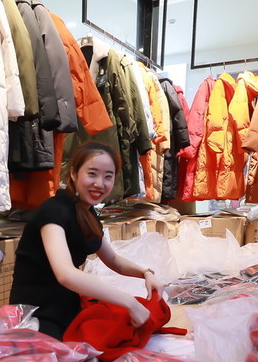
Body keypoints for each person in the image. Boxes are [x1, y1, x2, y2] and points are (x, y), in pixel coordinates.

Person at [9, 141, 165, 340]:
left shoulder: (86, 211)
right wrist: (129, 302)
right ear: (74, 173)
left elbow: (113, 260)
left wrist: (146, 273)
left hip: (67, 304)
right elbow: (65, 274)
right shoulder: (53, 210)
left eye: (108, 176)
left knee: (138, 322)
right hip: (34, 311)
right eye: (92, 174)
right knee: (71, 358)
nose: (100, 183)